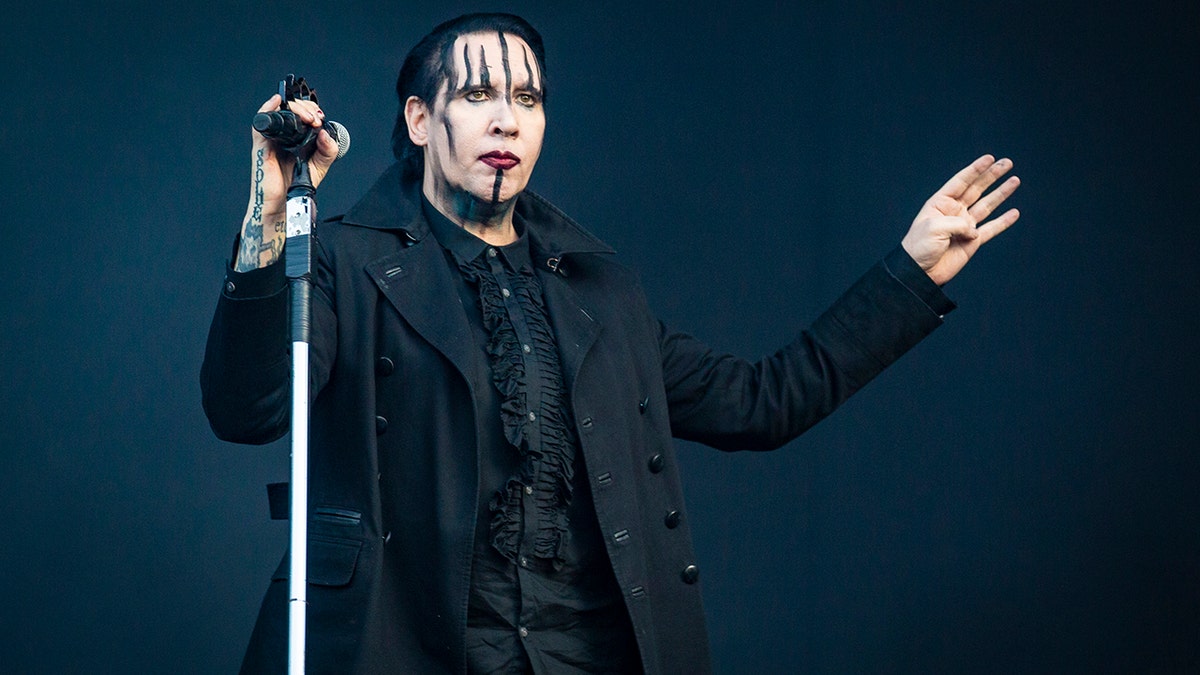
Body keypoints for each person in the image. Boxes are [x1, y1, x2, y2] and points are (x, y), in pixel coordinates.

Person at [201, 12, 1020, 675]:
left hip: (584, 652)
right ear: (420, 119)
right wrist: (271, 217)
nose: (506, 120)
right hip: (408, 647)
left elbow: (764, 403)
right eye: (479, 93)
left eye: (528, 100)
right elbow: (247, 407)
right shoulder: (345, 258)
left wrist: (908, 273)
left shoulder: (600, 290)